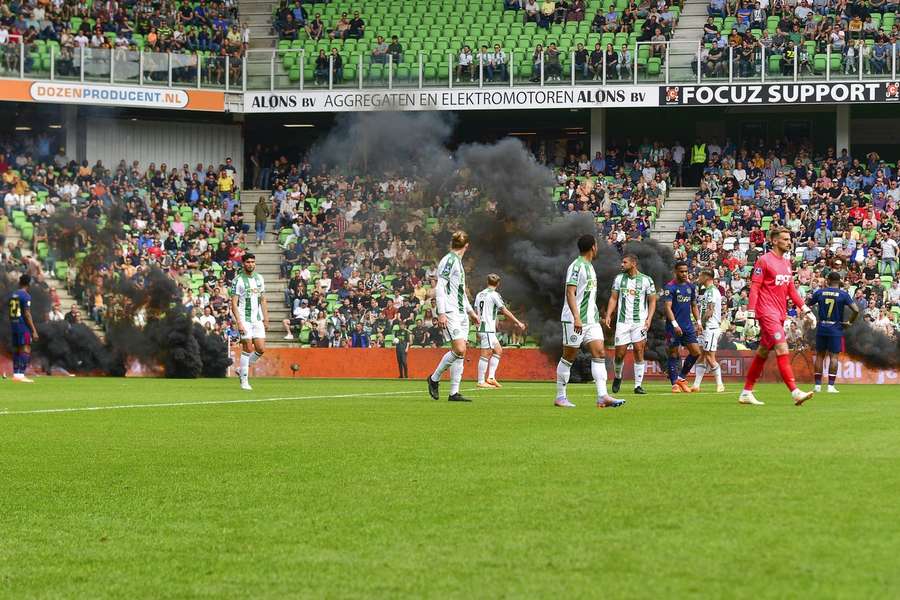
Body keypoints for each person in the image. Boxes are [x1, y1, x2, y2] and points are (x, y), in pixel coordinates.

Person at [740, 227, 817, 406]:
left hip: (780, 313)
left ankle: (746, 392)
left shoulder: (787, 263)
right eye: (785, 239)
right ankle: (795, 392)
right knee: (782, 348)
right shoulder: (763, 261)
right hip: (766, 312)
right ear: (774, 241)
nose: (789, 242)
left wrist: (806, 310)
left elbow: (791, 290)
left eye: (789, 239)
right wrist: (751, 314)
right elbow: (755, 287)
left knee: (762, 352)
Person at [555, 234, 625, 408]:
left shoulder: (590, 267)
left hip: (591, 320)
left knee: (600, 352)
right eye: (597, 245)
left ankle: (603, 396)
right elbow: (570, 293)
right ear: (593, 247)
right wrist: (577, 317)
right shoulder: (577, 266)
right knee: (569, 357)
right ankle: (560, 396)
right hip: (574, 319)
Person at [427, 231, 480, 402]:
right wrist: (441, 312)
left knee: (460, 354)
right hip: (450, 312)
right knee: (459, 349)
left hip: (461, 312)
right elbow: (440, 287)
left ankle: (454, 393)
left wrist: (471, 312)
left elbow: (459, 292)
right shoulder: (449, 261)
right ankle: (434, 378)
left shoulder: (456, 261)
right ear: (467, 246)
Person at [605, 253, 657, 395]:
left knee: (639, 350)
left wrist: (649, 319)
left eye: (625, 262)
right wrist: (609, 315)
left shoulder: (647, 280)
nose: (622, 265)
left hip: (639, 322)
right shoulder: (619, 279)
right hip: (623, 322)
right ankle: (617, 377)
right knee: (620, 354)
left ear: (633, 264)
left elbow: (652, 301)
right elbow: (614, 298)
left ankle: (638, 386)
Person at [807, 272, 858, 393]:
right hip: (835, 328)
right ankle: (830, 386)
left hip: (822, 327)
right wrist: (849, 322)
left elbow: (807, 305)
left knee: (820, 355)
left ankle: (817, 385)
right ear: (839, 281)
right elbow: (856, 310)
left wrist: (811, 318)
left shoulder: (820, 292)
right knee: (834, 356)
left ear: (828, 280)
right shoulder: (843, 294)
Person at [474, 273, 526, 389]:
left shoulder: (479, 295)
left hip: (485, 328)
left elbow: (476, 312)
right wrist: (518, 322)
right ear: (498, 284)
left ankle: (491, 378)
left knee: (498, 350)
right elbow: (504, 311)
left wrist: (477, 327)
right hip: (487, 328)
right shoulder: (494, 295)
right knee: (485, 354)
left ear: (487, 282)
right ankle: (481, 381)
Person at [662, 262, 703, 393]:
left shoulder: (691, 286)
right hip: (673, 327)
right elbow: (667, 307)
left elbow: (694, 305)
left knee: (696, 352)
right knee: (673, 353)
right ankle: (674, 383)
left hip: (688, 326)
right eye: (681, 271)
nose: (684, 274)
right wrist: (674, 324)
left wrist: (699, 322)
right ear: (676, 271)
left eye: (686, 271)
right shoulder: (670, 287)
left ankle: (681, 377)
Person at [230, 253, 268, 391]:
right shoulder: (238, 280)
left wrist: (266, 318)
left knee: (260, 349)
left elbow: (263, 299)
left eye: (253, 262)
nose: (250, 264)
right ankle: (244, 380)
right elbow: (233, 303)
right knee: (247, 348)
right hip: (244, 319)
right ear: (243, 264)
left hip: (257, 319)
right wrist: (238, 322)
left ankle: (241, 369)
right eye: (248, 262)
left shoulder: (259, 278)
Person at [692, 269, 726, 392]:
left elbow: (710, 311)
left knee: (709, 357)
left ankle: (720, 384)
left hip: (710, 328)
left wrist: (701, 325)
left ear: (706, 277)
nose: (698, 277)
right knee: (702, 355)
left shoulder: (711, 291)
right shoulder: (707, 291)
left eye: (700, 275)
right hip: (706, 328)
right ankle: (696, 385)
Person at [7, 274, 39, 383]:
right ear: (29, 283)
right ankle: (21, 374)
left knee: (16, 349)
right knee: (26, 348)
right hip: (22, 326)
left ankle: (16, 374)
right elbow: (27, 314)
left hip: (13, 324)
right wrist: (34, 330)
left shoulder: (13, 294)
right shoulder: (26, 296)